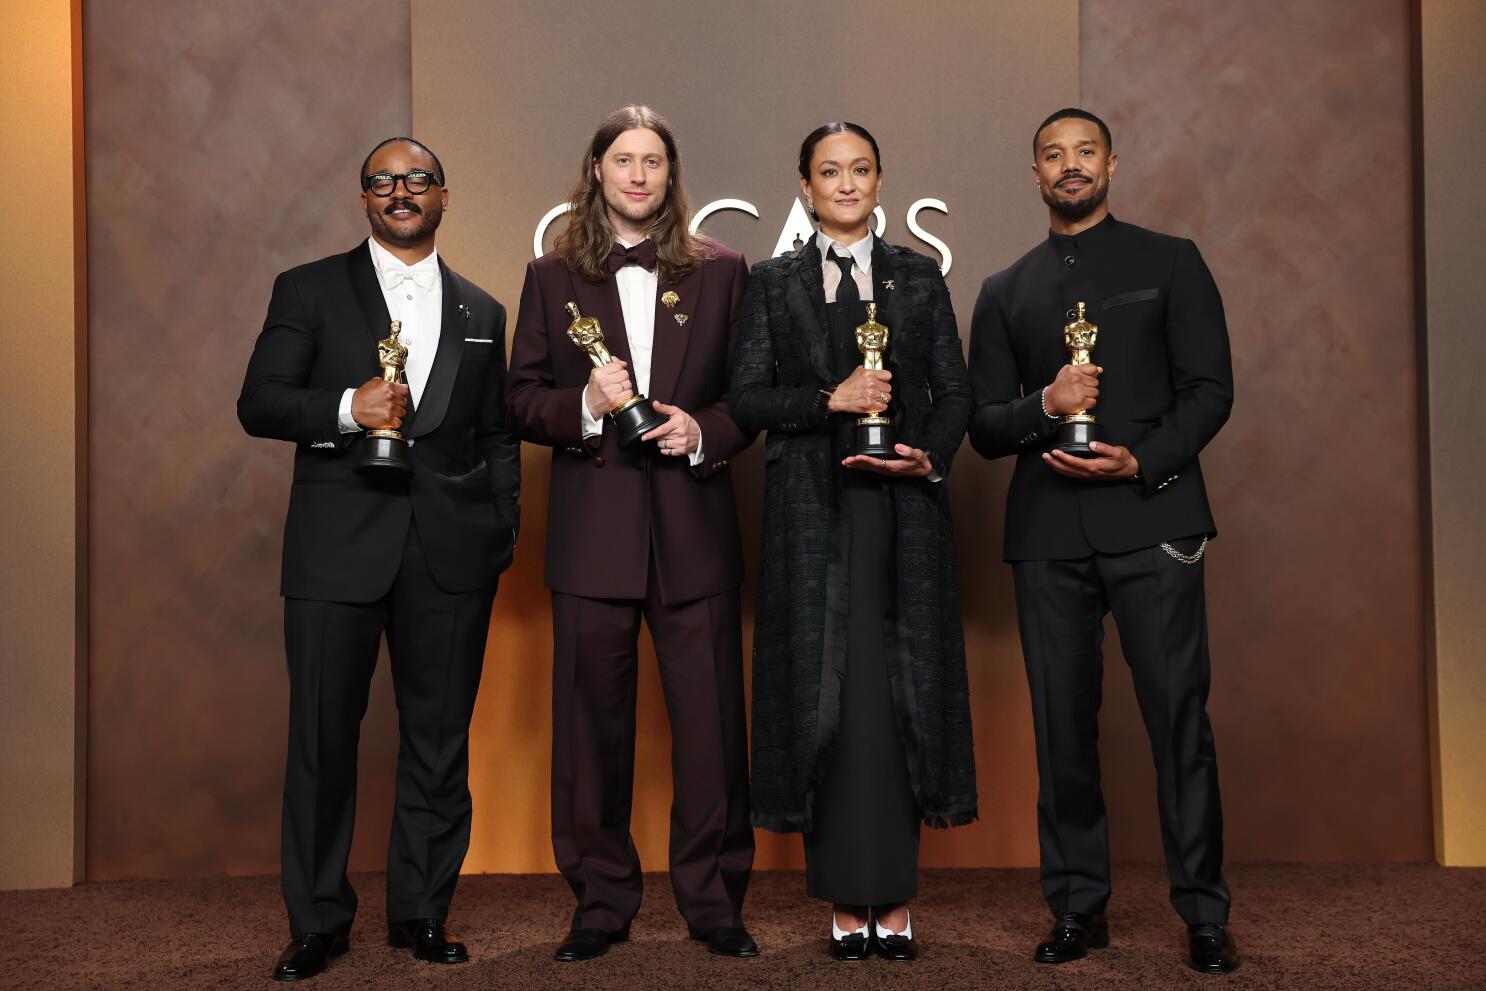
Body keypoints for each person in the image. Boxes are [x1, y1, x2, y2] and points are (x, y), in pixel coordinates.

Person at [238, 137, 520, 981]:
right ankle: (319, 920)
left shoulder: (483, 310)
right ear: (365, 197)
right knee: (323, 740)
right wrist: (347, 408)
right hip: (334, 554)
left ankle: (421, 911)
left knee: (439, 743)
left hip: (450, 557)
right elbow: (259, 402)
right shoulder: (309, 288)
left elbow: (498, 434)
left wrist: (501, 527)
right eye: (384, 181)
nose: (402, 192)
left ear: (444, 194)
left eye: (418, 180)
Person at [966, 107, 1239, 975]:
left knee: (1178, 726)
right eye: (1053, 154)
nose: (1070, 165)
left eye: (1085, 151)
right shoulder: (1004, 290)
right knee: (1062, 733)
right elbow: (982, 426)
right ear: (1034, 173)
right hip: (1047, 537)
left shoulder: (1171, 261)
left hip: (1156, 522)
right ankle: (1079, 907)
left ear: (1112, 164)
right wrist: (1046, 407)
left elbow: (1210, 389)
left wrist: (1142, 460)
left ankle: (1204, 914)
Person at [505, 105, 757, 963]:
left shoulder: (725, 272)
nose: (639, 175)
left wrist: (704, 433)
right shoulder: (549, 277)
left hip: (696, 531)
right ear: (598, 171)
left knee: (714, 726)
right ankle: (601, 902)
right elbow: (519, 399)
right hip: (592, 535)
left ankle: (715, 900)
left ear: (670, 174)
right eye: (624, 160)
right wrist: (585, 405)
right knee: (588, 729)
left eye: (653, 160)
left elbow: (745, 399)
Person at [730, 121, 977, 963]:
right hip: (810, 518)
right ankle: (843, 895)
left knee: (897, 698)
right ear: (804, 187)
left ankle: (895, 897)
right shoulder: (770, 283)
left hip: (902, 517)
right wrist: (829, 400)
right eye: (828, 172)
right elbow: (748, 400)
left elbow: (956, 395)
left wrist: (930, 453)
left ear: (880, 181)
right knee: (827, 698)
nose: (845, 183)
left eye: (860, 169)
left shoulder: (919, 276)